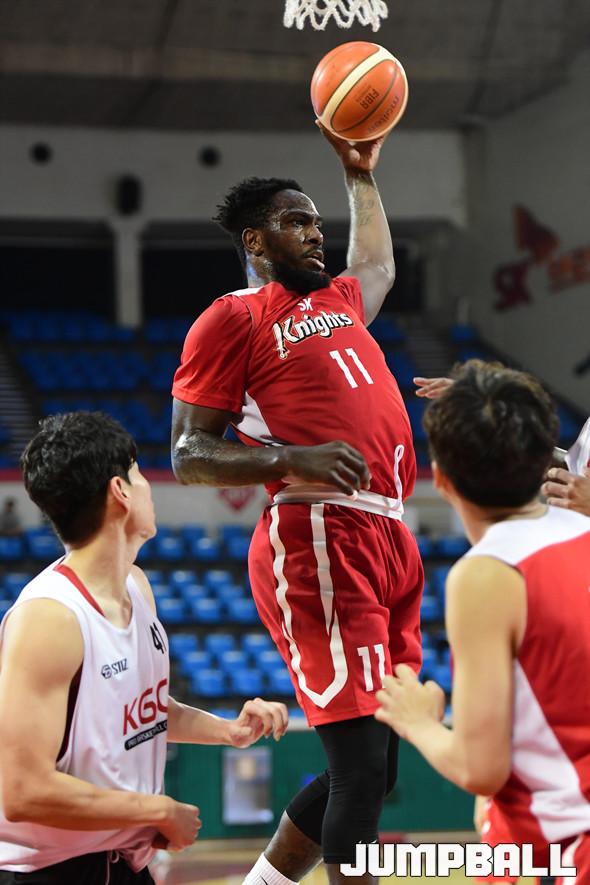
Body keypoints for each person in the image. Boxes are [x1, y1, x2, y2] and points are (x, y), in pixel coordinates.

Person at [171, 125, 423, 883]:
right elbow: (188, 454)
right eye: (295, 221)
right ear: (255, 240)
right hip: (320, 527)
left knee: (381, 767)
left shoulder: (340, 298)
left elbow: (376, 262)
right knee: (359, 769)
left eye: (317, 222)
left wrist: (360, 175)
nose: (316, 233)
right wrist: (288, 458)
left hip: (388, 531)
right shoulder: (235, 317)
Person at [0, 412, 288, 885]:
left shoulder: (136, 587)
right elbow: (23, 790)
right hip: (50, 873)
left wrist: (228, 731)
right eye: (139, 474)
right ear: (120, 491)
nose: (148, 487)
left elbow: (138, 711)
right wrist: (155, 809)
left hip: (125, 865)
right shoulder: (49, 618)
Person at [376, 361, 590, 880]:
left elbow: (479, 768)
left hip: (566, 846)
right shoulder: (579, 533)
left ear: (441, 480)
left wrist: (418, 721)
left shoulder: (487, 573)